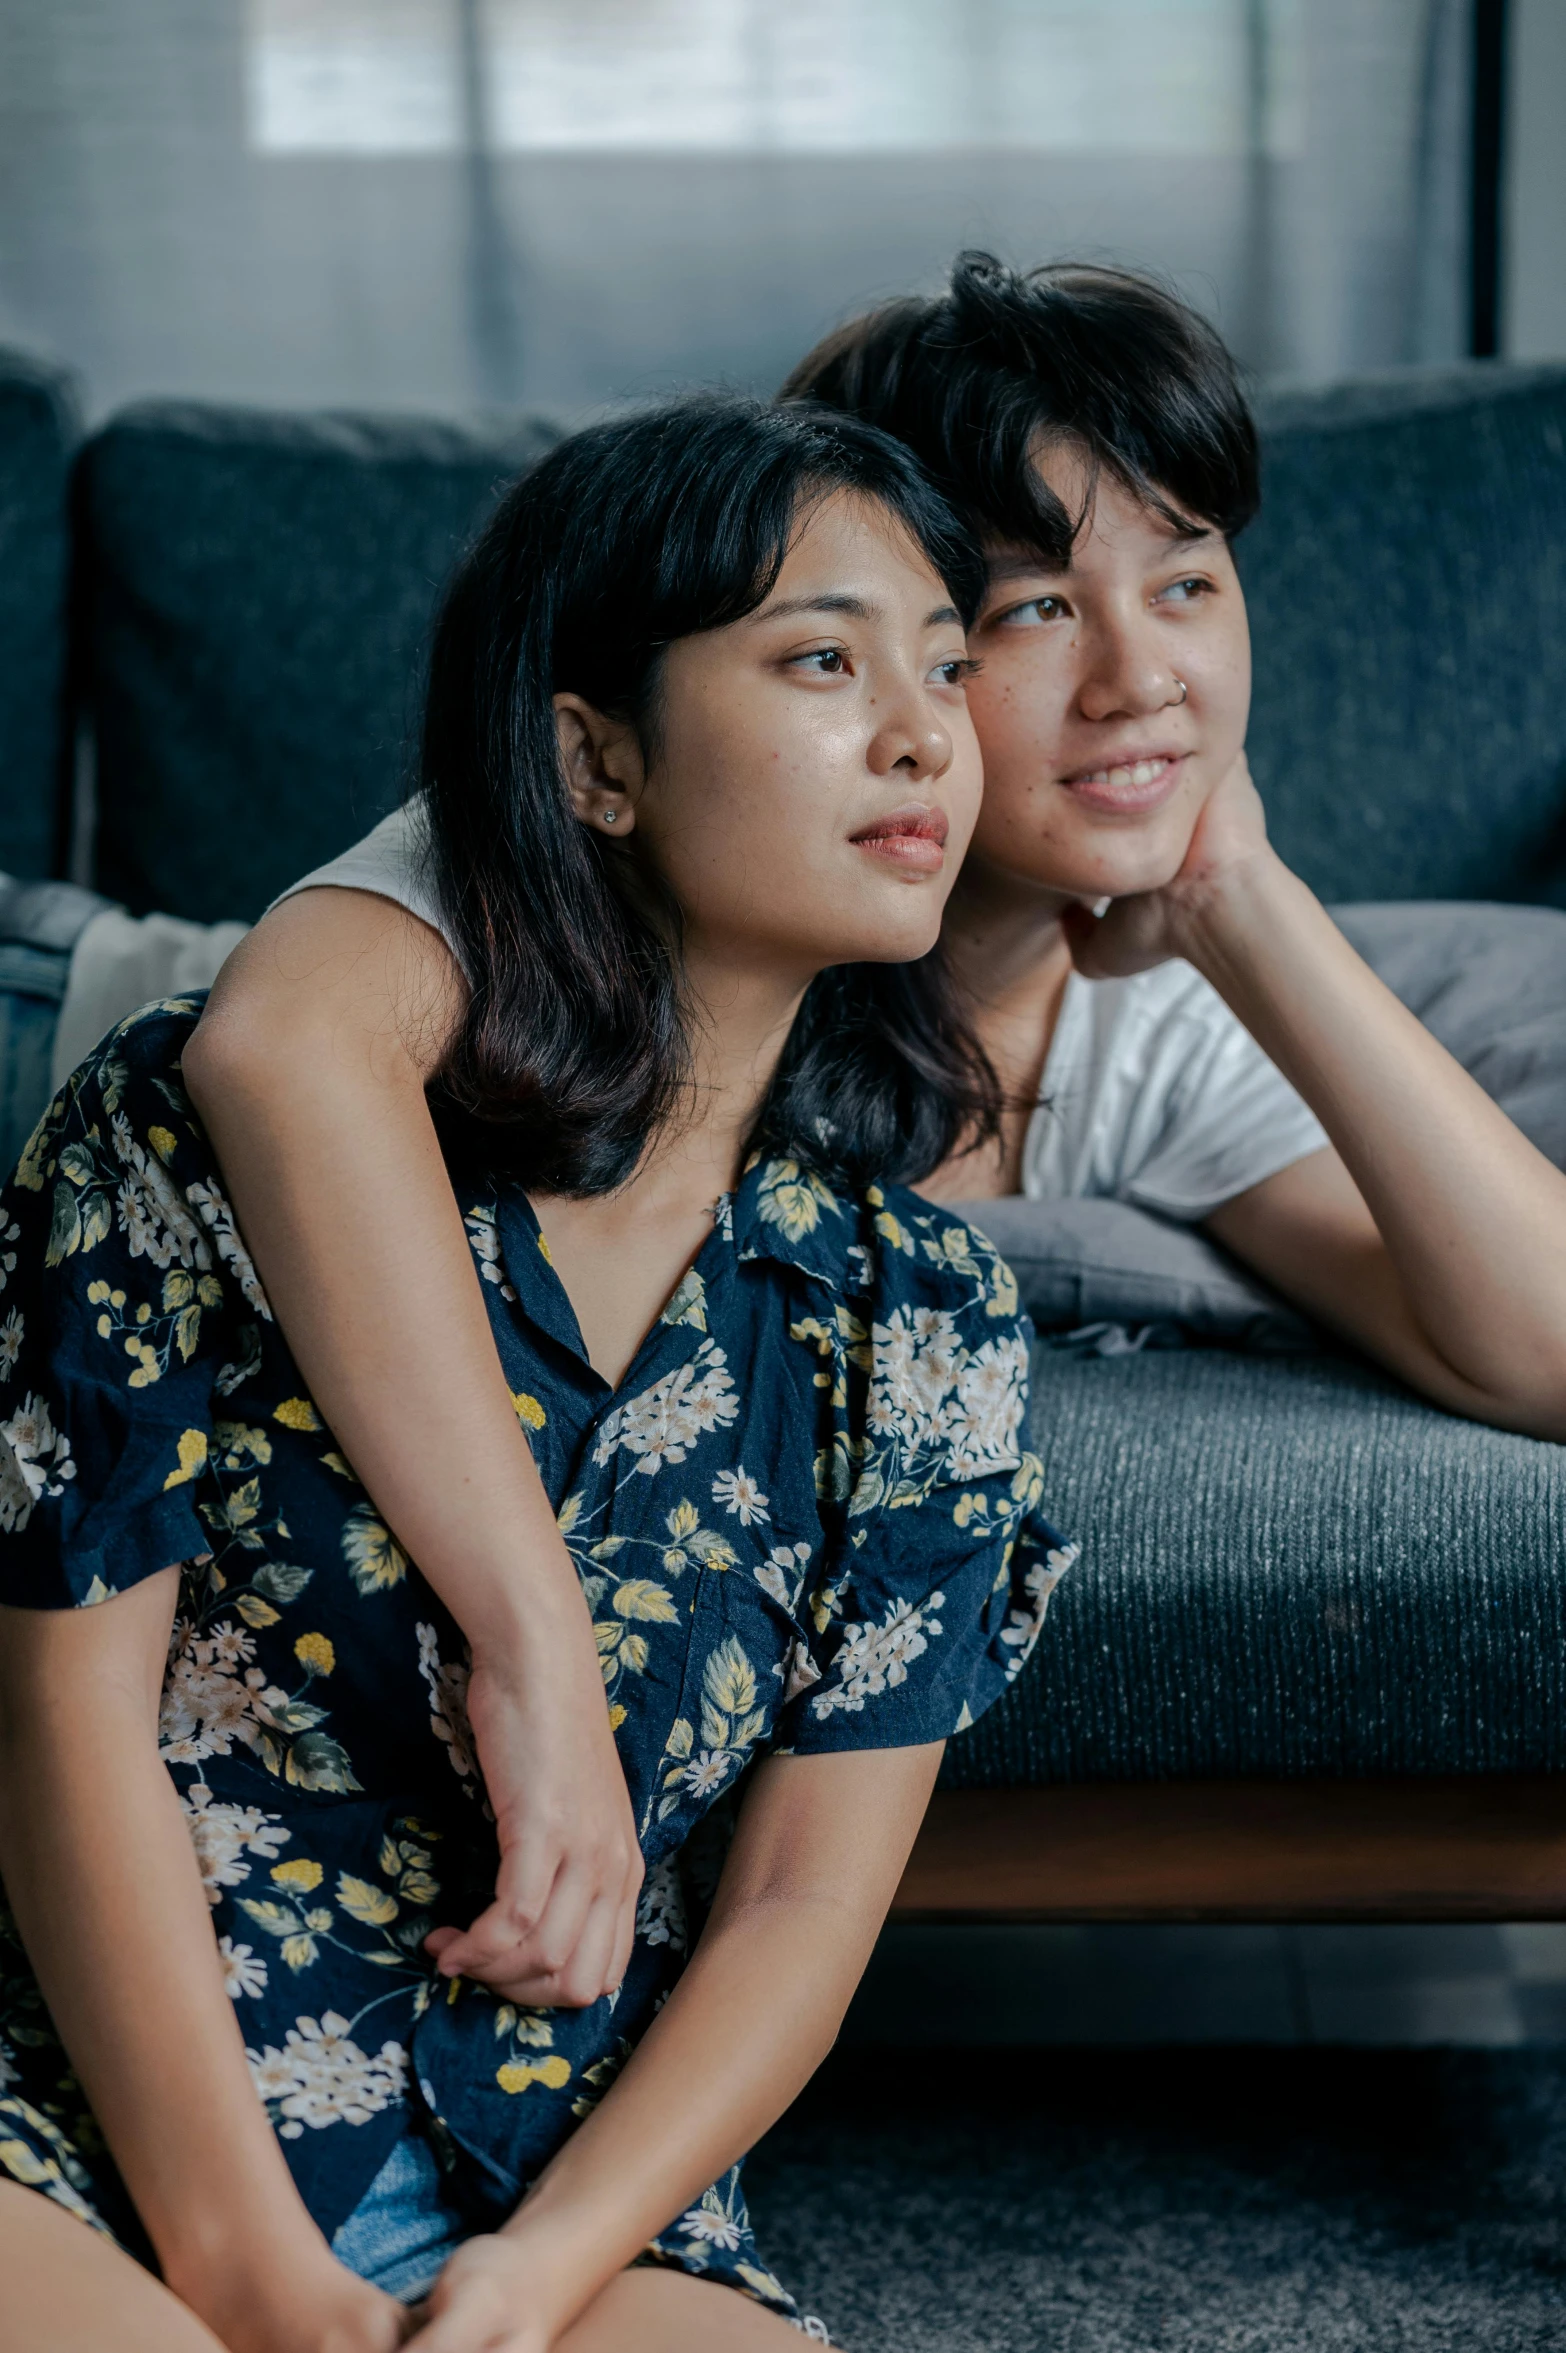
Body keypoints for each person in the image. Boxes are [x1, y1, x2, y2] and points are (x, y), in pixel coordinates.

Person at [164, 255, 1566, 2022]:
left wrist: (1241, 897)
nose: (1141, 675)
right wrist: (534, 1642)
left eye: (1189, 581)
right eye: (1034, 608)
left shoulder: (1125, 1020)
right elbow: (276, 1048)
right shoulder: (628, 815)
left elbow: (1542, 1347)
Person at [0, 393, 1074, 2352]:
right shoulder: (183, 1137)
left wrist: (543, 2271)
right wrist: (247, 2272)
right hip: (94, 2113)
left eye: (943, 664)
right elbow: (62, 1723)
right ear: (595, 757)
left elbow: (794, 1917)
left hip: (560, 2175)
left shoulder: (923, 1326)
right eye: (821, 660)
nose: (926, 730)